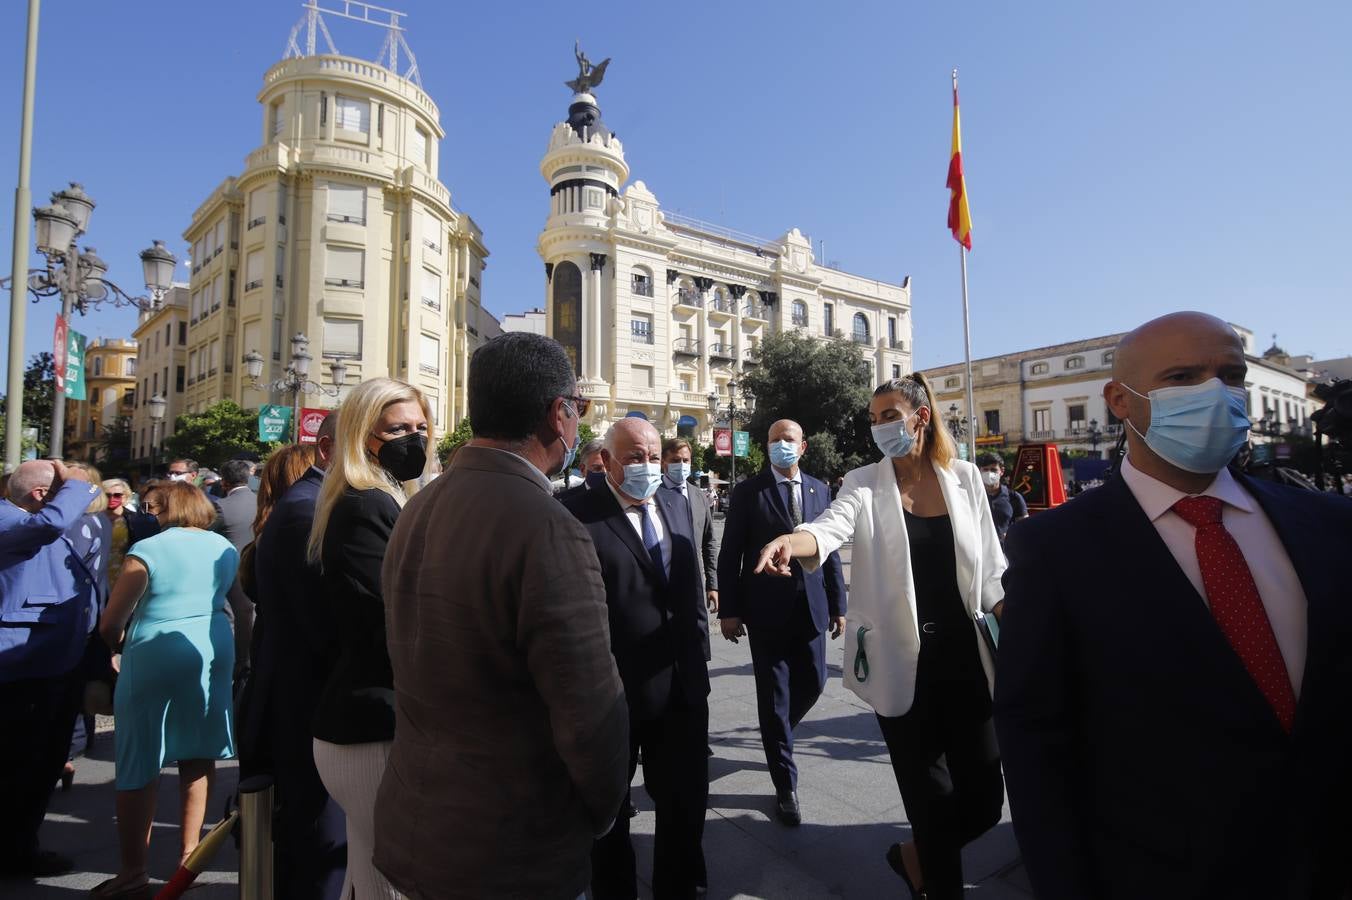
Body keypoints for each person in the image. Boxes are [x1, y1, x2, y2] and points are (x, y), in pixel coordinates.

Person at [993, 312, 1352, 900]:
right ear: (1120, 401)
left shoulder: (1329, 526)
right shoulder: (1056, 550)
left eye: (1230, 375)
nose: (1213, 393)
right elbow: (1036, 739)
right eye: (1183, 377)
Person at [376, 332, 629, 900]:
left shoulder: (418, 505)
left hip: (419, 823)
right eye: (578, 408)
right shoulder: (547, 525)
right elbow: (589, 708)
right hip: (510, 846)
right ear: (555, 414)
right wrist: (604, 809)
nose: (578, 423)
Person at [756, 375, 1007, 900]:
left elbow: (990, 574)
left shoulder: (963, 478)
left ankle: (913, 856)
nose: (879, 427)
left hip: (967, 661)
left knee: (984, 802)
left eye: (888, 415)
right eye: (873, 419)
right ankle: (934, 876)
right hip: (900, 666)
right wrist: (790, 539)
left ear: (920, 416)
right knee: (932, 806)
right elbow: (829, 527)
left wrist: (1020, 620)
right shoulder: (864, 483)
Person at [563, 417, 711, 900]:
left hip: (682, 690)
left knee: (684, 807)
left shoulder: (676, 503)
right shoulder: (574, 513)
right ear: (605, 461)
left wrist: (698, 660)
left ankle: (678, 886)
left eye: (653, 457)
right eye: (634, 457)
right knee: (608, 815)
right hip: (613, 697)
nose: (647, 466)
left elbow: (686, 589)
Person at [308, 377, 431, 900]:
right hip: (370, 728)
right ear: (364, 435)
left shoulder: (383, 501)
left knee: (369, 882)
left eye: (421, 427)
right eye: (399, 428)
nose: (415, 439)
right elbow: (398, 621)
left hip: (371, 723)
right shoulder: (366, 507)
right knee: (394, 883)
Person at [93, 481, 238, 898]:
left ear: (168, 509)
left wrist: (114, 646)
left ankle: (133, 871)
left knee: (140, 758)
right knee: (198, 754)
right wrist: (241, 656)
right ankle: (188, 857)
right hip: (211, 646)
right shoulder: (223, 548)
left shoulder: (150, 549)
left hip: (155, 649)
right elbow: (242, 608)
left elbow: (110, 623)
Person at [716, 419, 846, 826]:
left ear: (802, 446)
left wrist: (839, 603)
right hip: (765, 610)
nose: (780, 446)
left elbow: (831, 550)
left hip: (812, 609)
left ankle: (778, 735)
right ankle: (785, 786)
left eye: (787, 440)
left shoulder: (820, 489)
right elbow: (730, 553)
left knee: (815, 681)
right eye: (774, 440)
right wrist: (730, 611)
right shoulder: (748, 492)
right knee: (774, 697)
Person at [239, 433, 344, 900]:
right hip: (307, 709)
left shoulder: (293, 513)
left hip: (284, 694)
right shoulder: (308, 513)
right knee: (313, 848)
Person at [0, 460, 99, 877]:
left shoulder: (32, 519)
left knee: (40, 763)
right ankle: (13, 851)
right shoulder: (10, 520)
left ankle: (21, 845)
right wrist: (78, 485)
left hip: (52, 663)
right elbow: (48, 528)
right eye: (66, 490)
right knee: (18, 766)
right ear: (43, 495)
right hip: (23, 667)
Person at [661, 438, 720, 615]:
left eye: (685, 460)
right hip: (662, 584)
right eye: (675, 461)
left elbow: (709, 542)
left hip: (694, 583)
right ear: (664, 463)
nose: (681, 465)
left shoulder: (699, 496)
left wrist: (712, 584)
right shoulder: (652, 494)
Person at [213, 458, 259, 686]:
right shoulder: (262, 500)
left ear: (224, 482)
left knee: (233, 617)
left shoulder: (221, 507)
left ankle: (237, 664)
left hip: (231, 570)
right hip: (255, 566)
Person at [102, 478, 160, 587]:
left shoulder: (134, 520)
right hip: (98, 574)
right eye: (107, 495)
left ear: (126, 497)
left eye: (117, 495)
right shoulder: (92, 519)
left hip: (124, 574)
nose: (112, 498)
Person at [975, 451, 1027, 543]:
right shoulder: (973, 497)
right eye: (985, 469)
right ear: (980, 471)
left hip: (1006, 552)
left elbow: (1025, 527)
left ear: (1001, 471)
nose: (989, 473)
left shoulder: (1014, 498)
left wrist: (1011, 535)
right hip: (980, 551)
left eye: (993, 470)